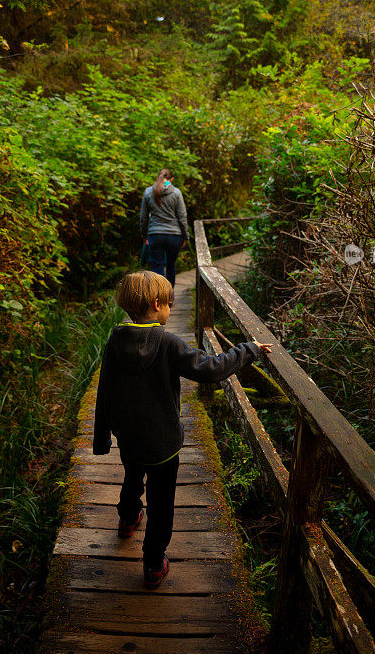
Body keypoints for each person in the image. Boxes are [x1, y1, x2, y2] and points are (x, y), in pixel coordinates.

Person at [92, 270, 272, 588]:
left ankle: (127, 517)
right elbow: (211, 369)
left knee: (132, 476)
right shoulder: (168, 342)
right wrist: (249, 350)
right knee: (161, 503)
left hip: (129, 437)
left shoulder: (115, 339)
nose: (171, 310)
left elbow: (104, 387)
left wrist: (103, 435)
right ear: (158, 304)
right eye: (171, 305)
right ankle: (152, 562)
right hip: (163, 442)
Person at [140, 168, 189, 288]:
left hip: (155, 234)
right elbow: (182, 217)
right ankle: (169, 296)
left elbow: (143, 217)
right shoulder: (176, 193)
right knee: (171, 266)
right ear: (171, 179)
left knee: (158, 266)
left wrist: (144, 235)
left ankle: (160, 297)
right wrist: (185, 236)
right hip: (174, 235)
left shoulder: (148, 192)